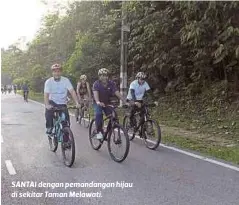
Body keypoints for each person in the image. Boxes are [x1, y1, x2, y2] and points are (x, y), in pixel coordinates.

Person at [44, 63, 80, 134]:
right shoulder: (49, 82)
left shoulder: (65, 80)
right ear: (52, 72)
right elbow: (46, 94)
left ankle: (66, 142)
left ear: (61, 72)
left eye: (58, 71)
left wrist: (77, 103)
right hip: (52, 101)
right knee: (48, 112)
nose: (57, 73)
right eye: (55, 71)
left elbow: (72, 91)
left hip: (62, 103)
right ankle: (49, 127)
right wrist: (47, 105)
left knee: (66, 123)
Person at [92, 68, 126, 139]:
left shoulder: (111, 83)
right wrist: (98, 102)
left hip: (107, 103)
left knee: (114, 117)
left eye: (106, 75)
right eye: (102, 75)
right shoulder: (96, 84)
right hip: (97, 102)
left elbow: (117, 93)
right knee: (99, 114)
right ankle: (99, 132)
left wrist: (124, 101)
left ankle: (108, 131)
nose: (104, 77)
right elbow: (95, 95)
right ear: (99, 76)